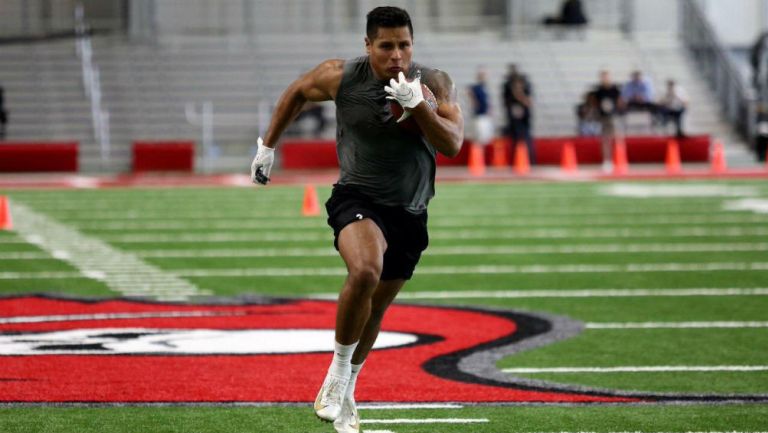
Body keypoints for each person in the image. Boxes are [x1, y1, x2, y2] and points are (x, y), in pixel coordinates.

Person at [249, 6, 463, 433]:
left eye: (404, 45)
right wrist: (268, 147)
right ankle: (335, 376)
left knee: (377, 307)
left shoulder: (433, 82)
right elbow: (296, 91)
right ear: (368, 46)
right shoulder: (341, 76)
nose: (396, 55)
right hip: (357, 195)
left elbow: (453, 143)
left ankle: (347, 389)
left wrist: (418, 106)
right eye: (386, 46)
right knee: (365, 270)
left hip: (411, 210)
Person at [502, 64, 535, 163]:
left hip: (524, 121)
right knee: (515, 141)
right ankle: (514, 161)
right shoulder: (509, 93)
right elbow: (506, 103)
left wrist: (519, 94)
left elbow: (529, 102)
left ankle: (530, 161)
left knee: (527, 140)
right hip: (514, 122)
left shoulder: (526, 91)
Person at [592, 70, 623, 171]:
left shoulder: (615, 89)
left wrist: (618, 111)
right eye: (603, 77)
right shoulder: (599, 91)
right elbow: (595, 103)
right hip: (603, 118)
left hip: (613, 116)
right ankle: (607, 161)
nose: (605, 79)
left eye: (606, 76)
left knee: (617, 138)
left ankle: (620, 159)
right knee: (605, 140)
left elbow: (620, 102)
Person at [467, 67, 494, 146]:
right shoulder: (476, 88)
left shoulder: (485, 88)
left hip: (485, 116)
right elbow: (470, 93)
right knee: (479, 139)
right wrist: (474, 103)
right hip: (479, 116)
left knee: (486, 139)